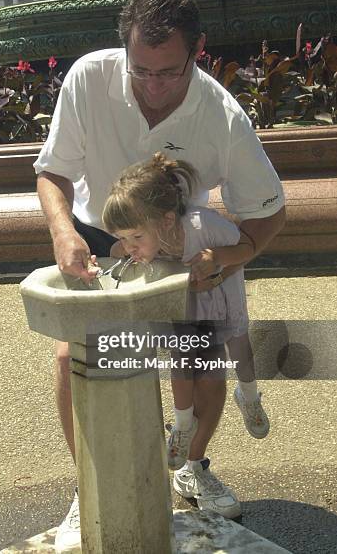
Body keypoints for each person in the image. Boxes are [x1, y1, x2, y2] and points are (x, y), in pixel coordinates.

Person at [34, 0, 286, 551]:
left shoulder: (222, 113)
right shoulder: (88, 78)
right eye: (140, 70)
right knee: (76, 350)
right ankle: (92, 481)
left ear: (198, 51)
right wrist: (62, 231)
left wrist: (230, 258)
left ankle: (191, 465)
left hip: (178, 241)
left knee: (202, 355)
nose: (152, 87)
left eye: (168, 72)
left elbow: (268, 212)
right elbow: (52, 172)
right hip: (100, 228)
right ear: (123, 50)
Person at [103, 151, 269, 478]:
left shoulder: (202, 225)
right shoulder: (146, 240)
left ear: (166, 220)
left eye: (136, 237)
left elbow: (247, 248)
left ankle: (248, 394)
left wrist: (216, 256)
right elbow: (114, 257)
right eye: (124, 238)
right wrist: (122, 250)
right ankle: (182, 423)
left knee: (240, 351)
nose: (131, 245)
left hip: (223, 303)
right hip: (185, 312)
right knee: (181, 362)